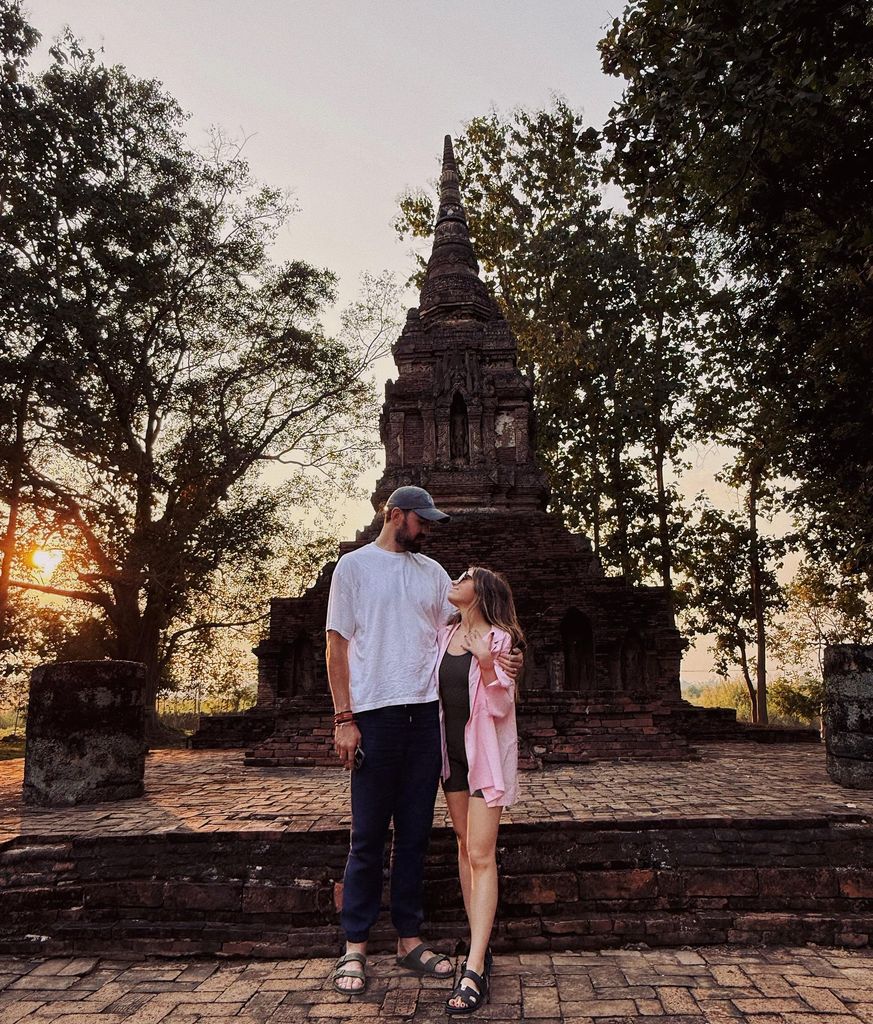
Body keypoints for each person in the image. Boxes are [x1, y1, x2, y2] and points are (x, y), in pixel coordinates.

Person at [325, 486, 519, 995]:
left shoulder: (433, 574)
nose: (429, 528)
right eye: (422, 520)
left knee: (414, 833)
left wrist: (507, 657)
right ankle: (355, 946)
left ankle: (408, 939)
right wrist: (344, 717)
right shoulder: (353, 568)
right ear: (395, 515)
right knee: (368, 834)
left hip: (425, 716)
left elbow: (470, 628)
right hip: (373, 713)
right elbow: (336, 645)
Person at [438, 566, 523, 1016]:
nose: (457, 578)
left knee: (481, 853)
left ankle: (473, 968)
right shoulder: (442, 635)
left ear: (481, 592)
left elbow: (502, 704)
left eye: (466, 575)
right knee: (463, 847)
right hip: (451, 758)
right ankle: (479, 944)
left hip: (484, 758)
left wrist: (488, 663)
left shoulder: (499, 641)